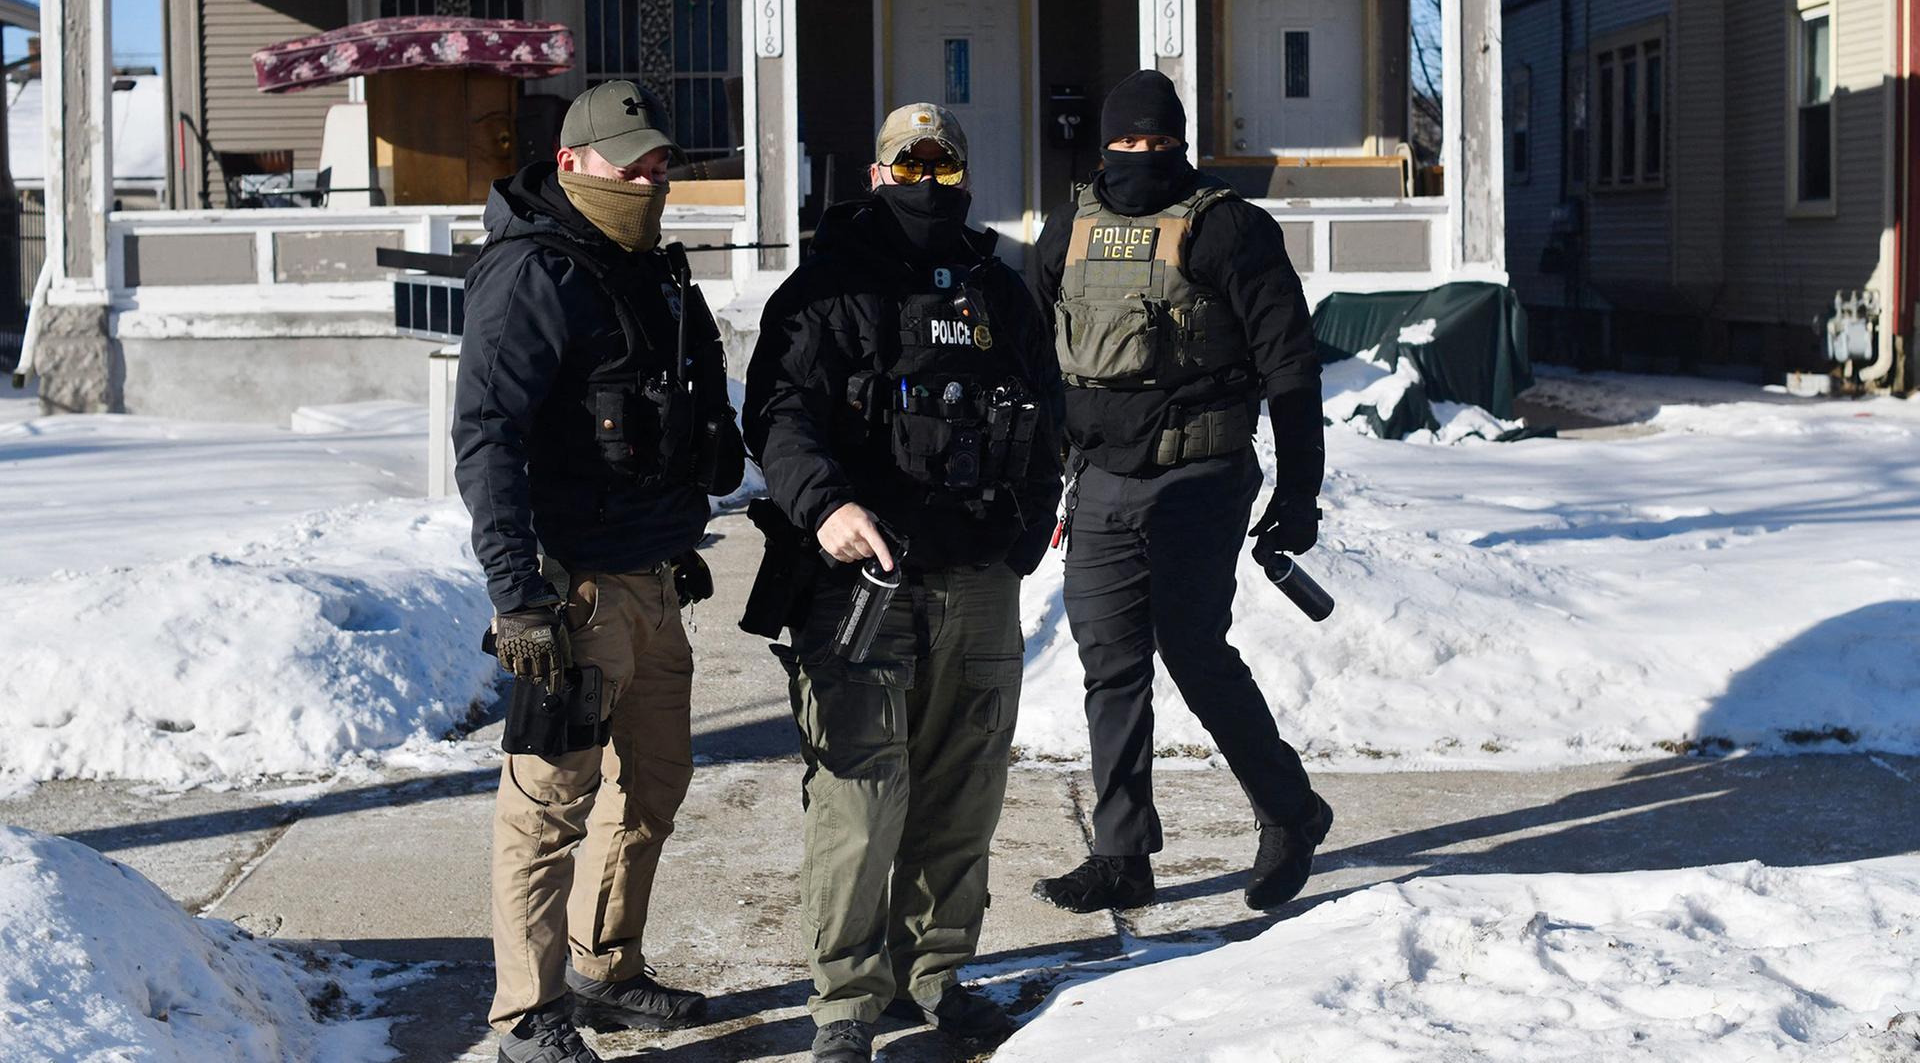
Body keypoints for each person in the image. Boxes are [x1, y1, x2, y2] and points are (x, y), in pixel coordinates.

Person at [743, 102, 1062, 1063]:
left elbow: (1046, 412)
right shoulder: (827, 286)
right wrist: (825, 506)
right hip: (860, 580)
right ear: (877, 173)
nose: (928, 177)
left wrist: (1022, 535)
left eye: (944, 161)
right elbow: (778, 413)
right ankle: (845, 1000)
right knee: (860, 797)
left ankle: (935, 974)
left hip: (975, 575)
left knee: (964, 787)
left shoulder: (997, 290)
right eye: (908, 161)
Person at [454, 80, 741, 1063]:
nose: (653, 176)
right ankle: (526, 1018)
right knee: (545, 810)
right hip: (571, 595)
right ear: (574, 164)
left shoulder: (650, 268)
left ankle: (604, 971)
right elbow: (487, 437)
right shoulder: (533, 273)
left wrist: (681, 537)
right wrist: (515, 595)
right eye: (634, 160)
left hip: (654, 575)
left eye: (661, 160)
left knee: (653, 786)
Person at [1026, 69, 1334, 917]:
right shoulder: (1069, 230)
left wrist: (1301, 490)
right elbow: (1030, 352)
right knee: (1109, 665)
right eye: (1127, 143)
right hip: (1100, 479)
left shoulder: (1230, 230)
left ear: (1181, 143)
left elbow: (1290, 366)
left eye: (1158, 143)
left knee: (1194, 651)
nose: (1142, 157)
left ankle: (1291, 813)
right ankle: (1121, 854)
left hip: (1200, 475)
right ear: (1104, 145)